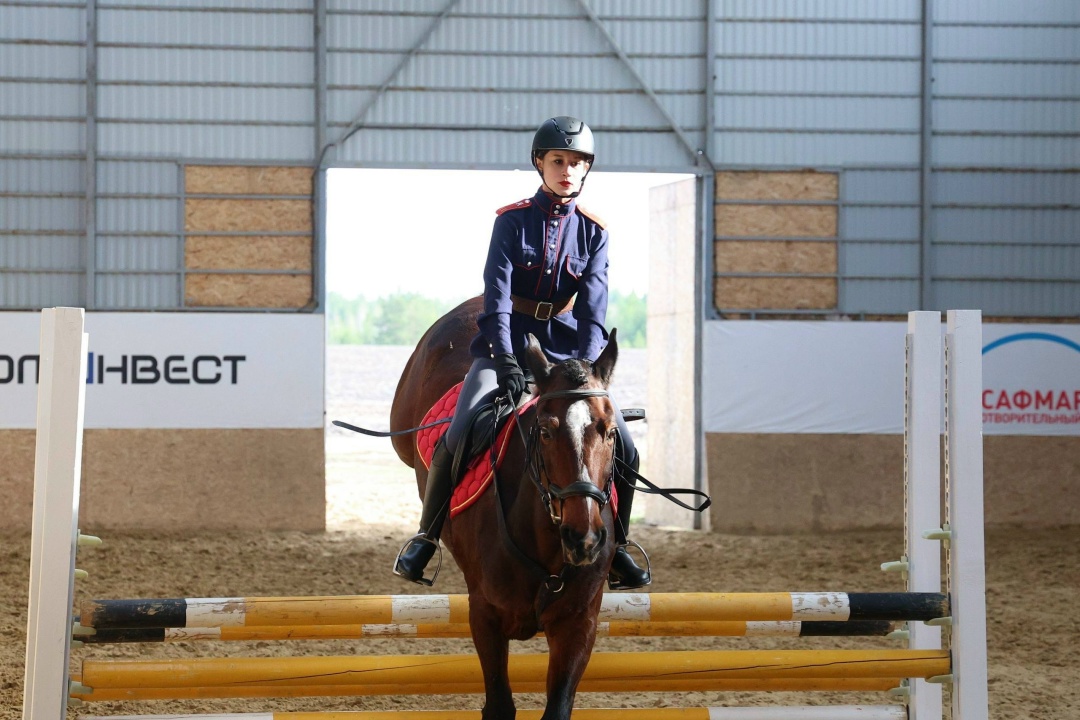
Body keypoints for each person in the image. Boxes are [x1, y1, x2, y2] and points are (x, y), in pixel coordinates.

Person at [393, 116, 650, 590]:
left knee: (626, 448)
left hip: (567, 355)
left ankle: (618, 547)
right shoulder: (511, 222)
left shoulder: (594, 233)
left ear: (586, 169)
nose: (567, 170)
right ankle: (425, 537)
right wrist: (506, 359)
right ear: (540, 163)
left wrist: (587, 371)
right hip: (506, 345)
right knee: (461, 428)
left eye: (577, 162)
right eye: (558, 161)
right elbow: (496, 295)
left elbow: (595, 310)